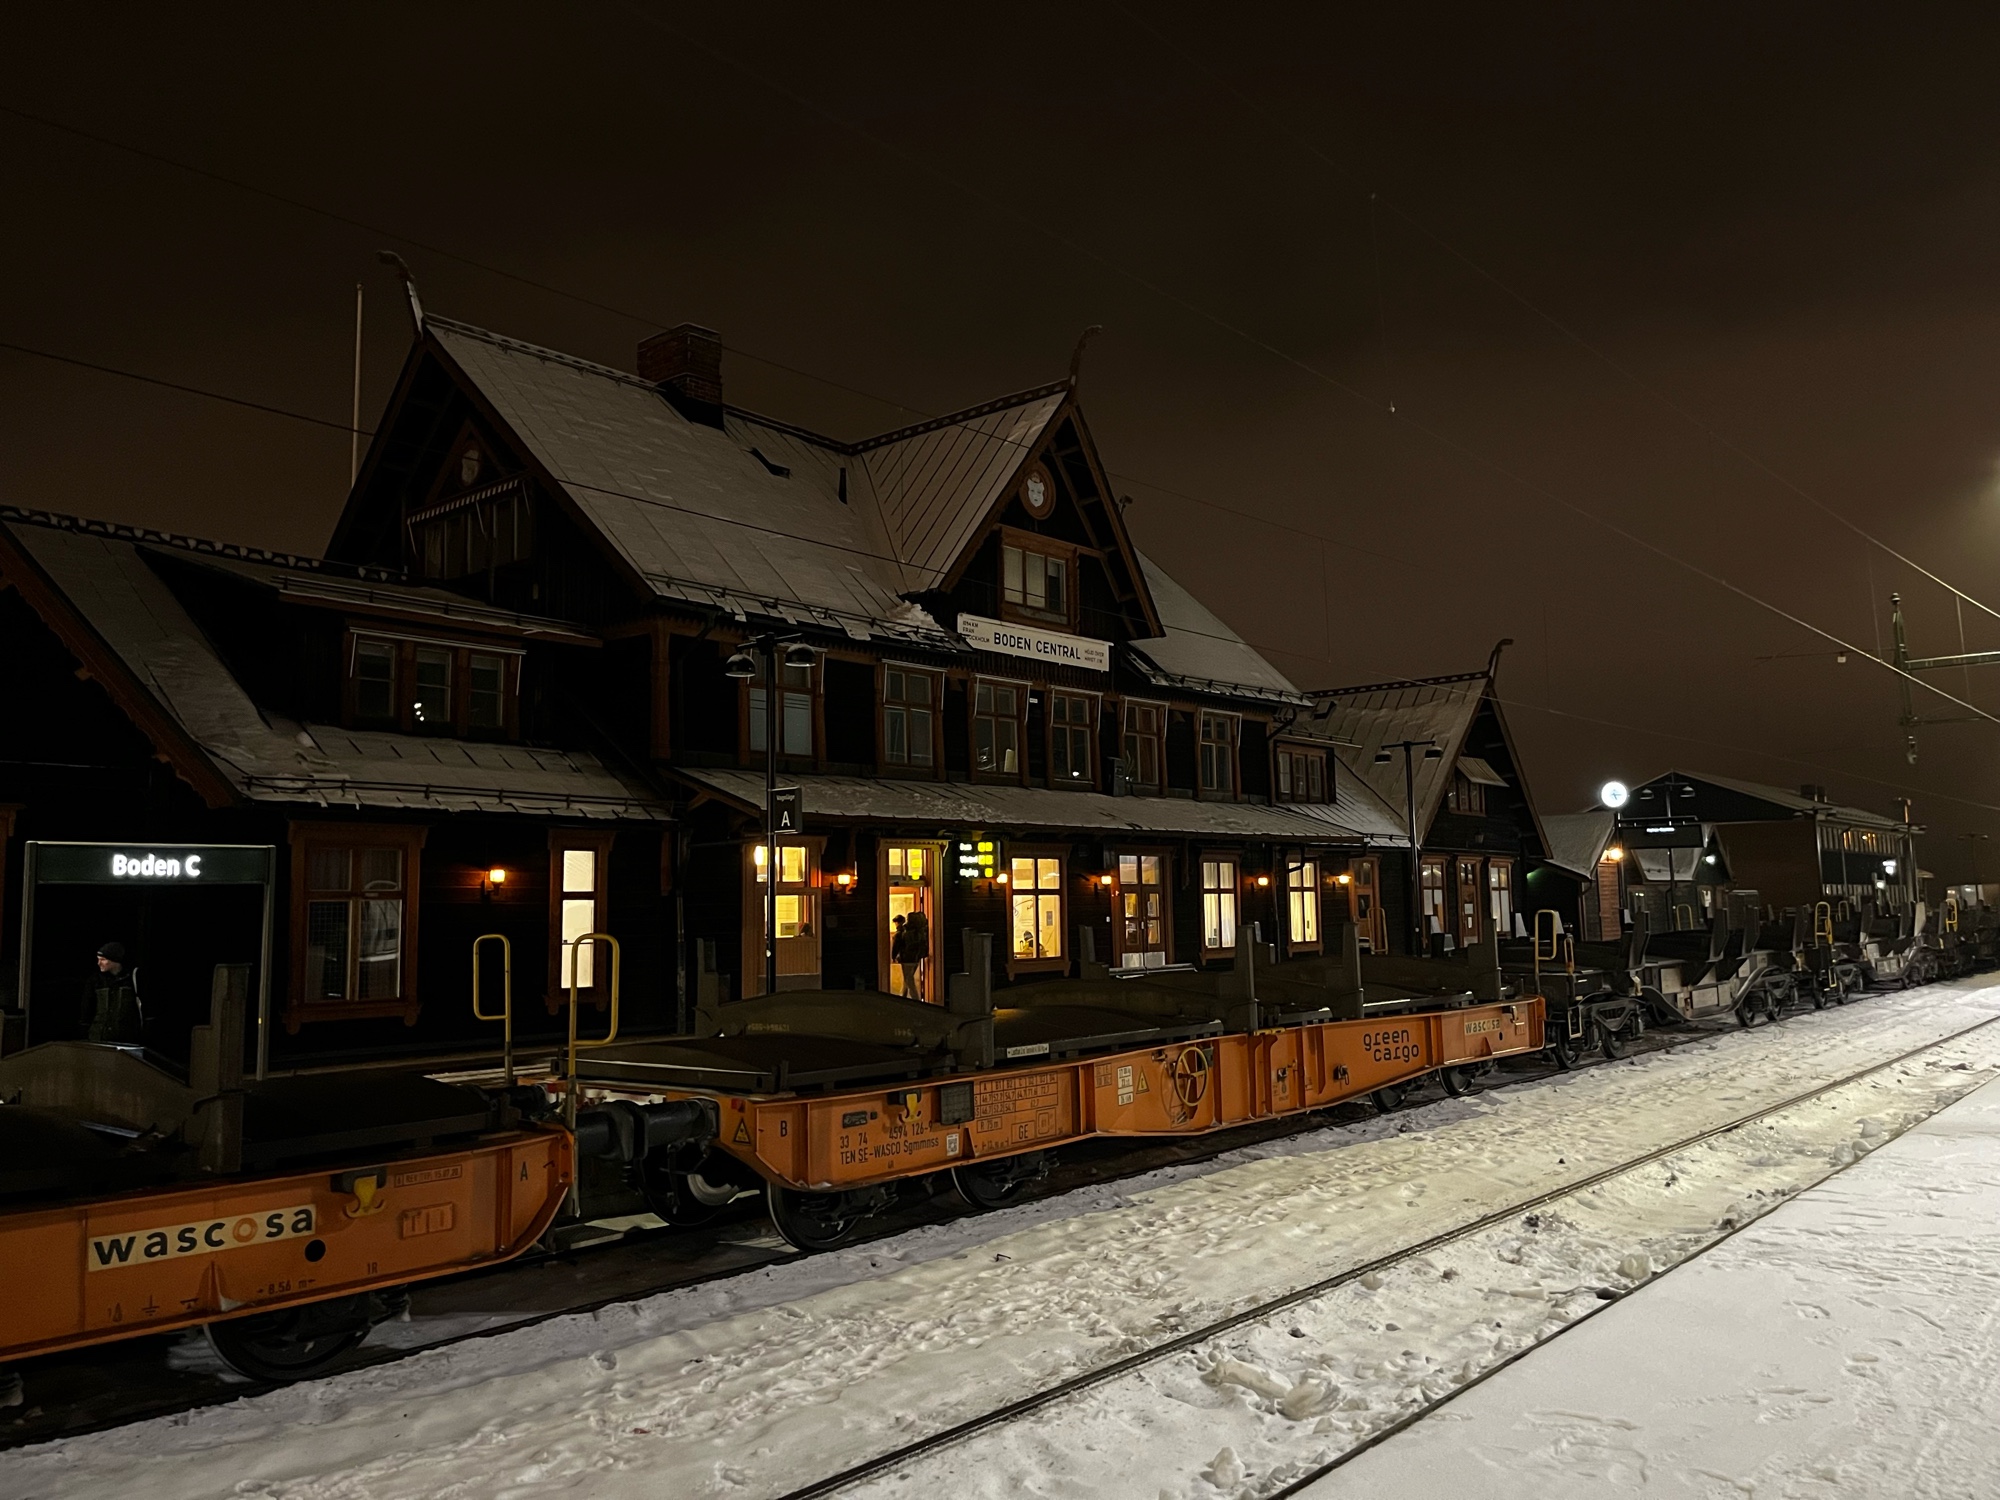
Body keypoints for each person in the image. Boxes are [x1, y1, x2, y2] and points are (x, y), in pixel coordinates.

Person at [82, 941, 143, 1045]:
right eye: (98, 959)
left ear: (115, 960)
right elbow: (87, 1009)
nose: (99, 963)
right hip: (99, 1038)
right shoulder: (96, 980)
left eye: (103, 960)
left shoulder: (132, 979)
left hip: (126, 1040)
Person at [901, 906, 930, 1001]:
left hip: (908, 958)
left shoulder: (910, 932)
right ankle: (903, 996)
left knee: (908, 979)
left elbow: (907, 945)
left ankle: (915, 999)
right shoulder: (921, 932)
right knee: (908, 977)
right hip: (915, 958)